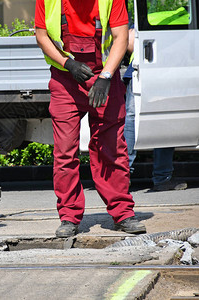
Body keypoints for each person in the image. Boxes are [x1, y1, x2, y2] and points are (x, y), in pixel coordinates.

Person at [35, 0, 146, 238]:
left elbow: (121, 37)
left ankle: (123, 213)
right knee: (65, 151)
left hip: (103, 75)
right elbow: (42, 35)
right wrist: (68, 63)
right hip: (66, 79)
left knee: (112, 149)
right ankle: (69, 216)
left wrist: (106, 76)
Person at [123, 27, 187, 192]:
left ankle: (122, 178)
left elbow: (129, 40)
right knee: (163, 118)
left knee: (132, 118)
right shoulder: (180, 13)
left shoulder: (143, 12)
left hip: (141, 66)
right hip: (165, 67)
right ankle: (162, 178)